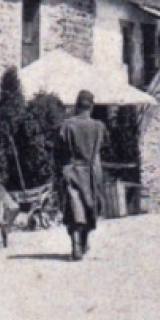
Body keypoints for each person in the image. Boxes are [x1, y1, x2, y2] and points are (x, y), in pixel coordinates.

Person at [57, 90, 108, 261]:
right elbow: (104, 147)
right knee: (90, 206)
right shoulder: (98, 127)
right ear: (91, 106)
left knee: (73, 207)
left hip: (73, 170)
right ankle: (84, 242)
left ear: (77, 105)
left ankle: (76, 245)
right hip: (92, 172)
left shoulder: (67, 125)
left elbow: (60, 148)